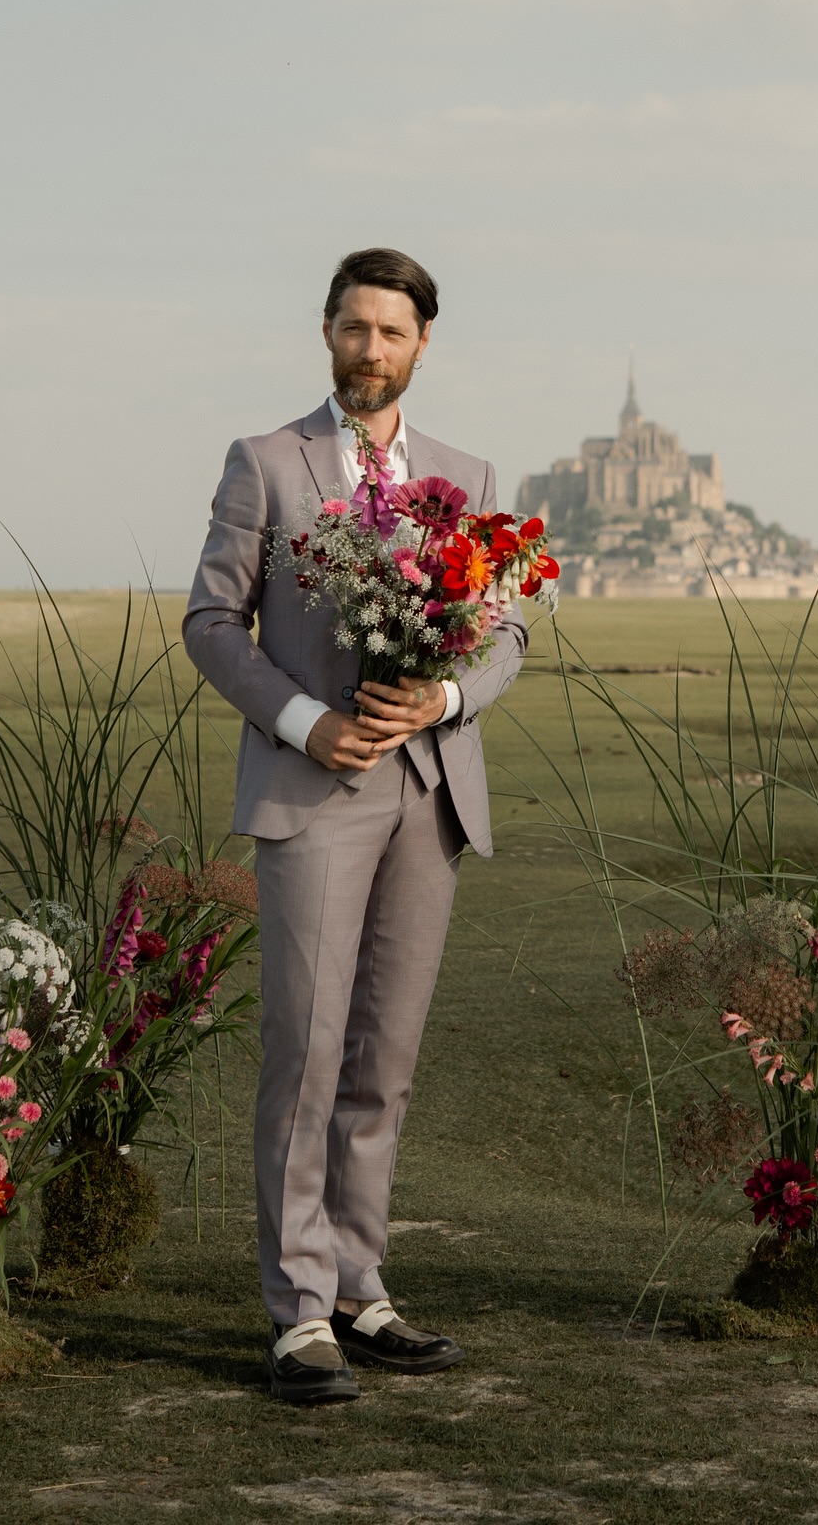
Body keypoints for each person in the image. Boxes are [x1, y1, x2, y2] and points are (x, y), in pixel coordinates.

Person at [183, 247, 526, 1405]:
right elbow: (211, 622)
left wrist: (442, 696)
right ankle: (296, 1314)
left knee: (384, 1057)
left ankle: (359, 1286)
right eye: (351, 328)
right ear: (324, 334)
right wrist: (298, 720)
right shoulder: (266, 465)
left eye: (390, 332)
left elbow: (507, 634)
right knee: (308, 1050)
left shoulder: (468, 474)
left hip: (429, 789)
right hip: (316, 785)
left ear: (424, 343)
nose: (369, 350)